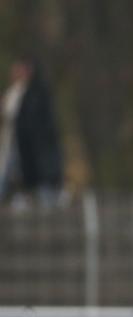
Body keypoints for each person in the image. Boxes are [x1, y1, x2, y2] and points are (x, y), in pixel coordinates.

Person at [0, 56, 63, 211]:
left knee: (34, 180)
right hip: (14, 144)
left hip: (30, 147)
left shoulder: (34, 93)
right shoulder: (15, 92)